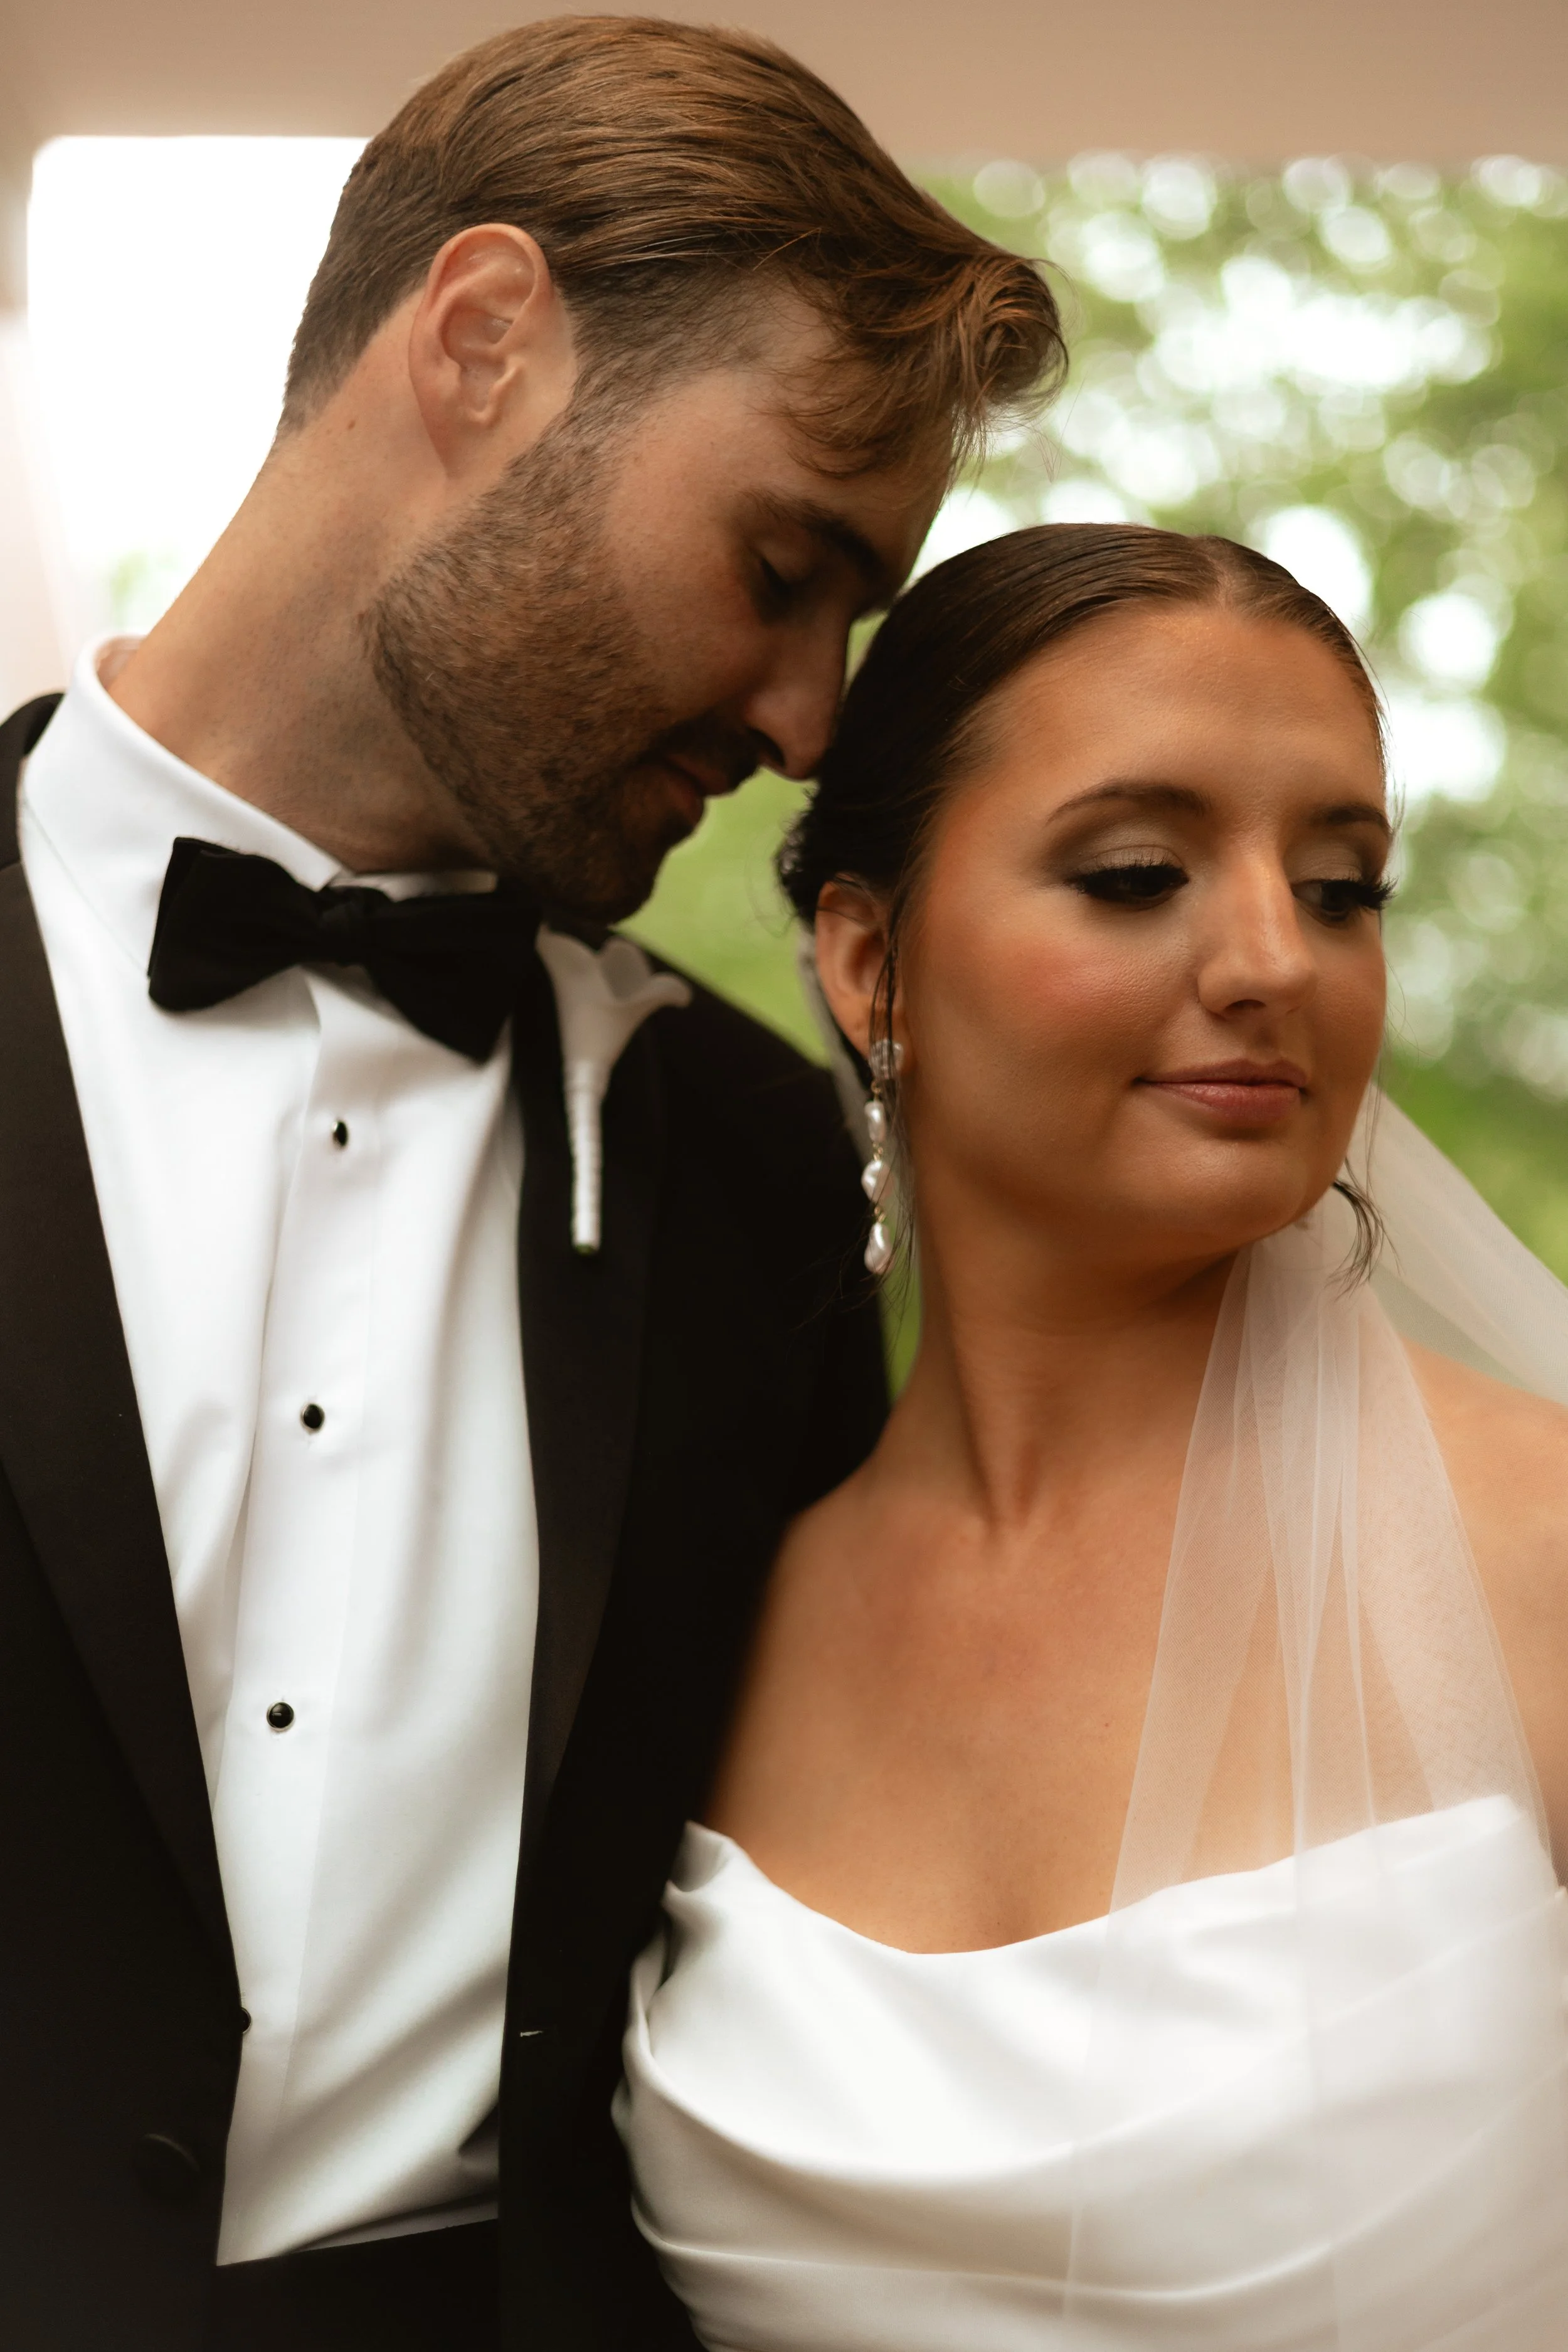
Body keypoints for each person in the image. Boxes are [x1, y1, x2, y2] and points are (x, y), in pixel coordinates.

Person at [0, 20, 1063, 2351]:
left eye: (855, 629)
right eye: (785, 564)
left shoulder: (771, 1176)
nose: (807, 716)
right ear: (481, 342)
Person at [617, 523, 1568, 2349]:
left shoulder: (1534, 1548)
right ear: (868, 961)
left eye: (1345, 884)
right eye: (1138, 871)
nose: (1275, 956)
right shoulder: (701, 1598)